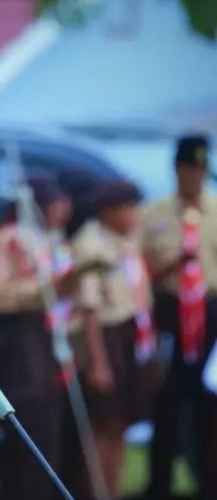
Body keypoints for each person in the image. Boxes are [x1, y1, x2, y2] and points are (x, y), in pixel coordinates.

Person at [0, 176, 74, 500]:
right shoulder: (12, 239)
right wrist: (42, 289)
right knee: (28, 420)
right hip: (23, 339)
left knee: (50, 425)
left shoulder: (53, 239)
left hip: (51, 341)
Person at [68, 180, 157, 499]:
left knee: (120, 423)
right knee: (101, 426)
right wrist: (99, 363)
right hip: (105, 339)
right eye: (129, 208)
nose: (136, 215)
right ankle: (95, 491)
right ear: (109, 211)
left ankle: (113, 490)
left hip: (130, 334)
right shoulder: (91, 243)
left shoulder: (126, 239)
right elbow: (90, 309)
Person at [143, 134, 217, 500]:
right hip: (168, 310)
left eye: (201, 171)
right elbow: (139, 271)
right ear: (176, 168)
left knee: (209, 402)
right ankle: (159, 485)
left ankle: (209, 483)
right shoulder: (152, 213)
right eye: (189, 169)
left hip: (211, 314)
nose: (194, 178)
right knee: (167, 400)